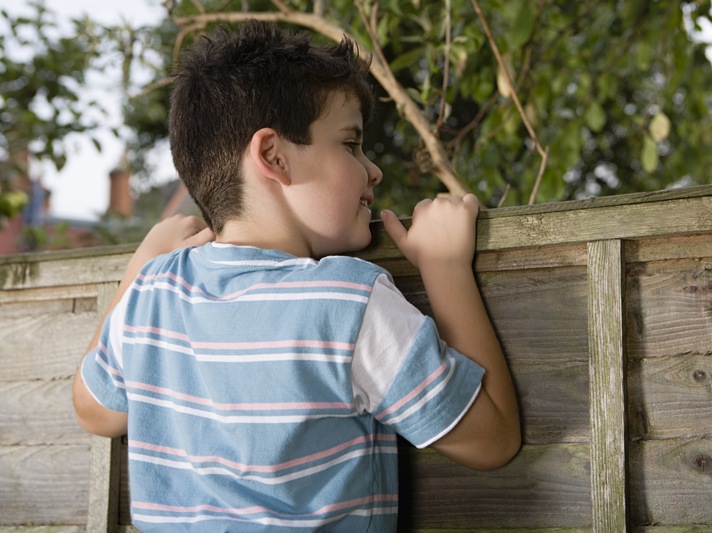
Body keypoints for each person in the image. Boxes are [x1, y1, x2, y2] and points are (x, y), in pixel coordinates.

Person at [72, 20, 520, 532]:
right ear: (273, 156)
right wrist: (445, 267)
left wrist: (140, 267)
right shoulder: (347, 303)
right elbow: (492, 441)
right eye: (351, 144)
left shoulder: (152, 292)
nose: (373, 170)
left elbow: (94, 410)